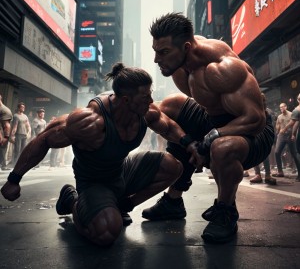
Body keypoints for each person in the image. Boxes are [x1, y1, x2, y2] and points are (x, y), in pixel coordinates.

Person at [1, 63, 199, 247]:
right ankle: (72, 199)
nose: (150, 100)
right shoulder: (91, 120)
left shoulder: (146, 111)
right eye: (145, 97)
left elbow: (169, 126)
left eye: (150, 94)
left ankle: (123, 205)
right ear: (126, 100)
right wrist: (14, 179)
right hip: (94, 183)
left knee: (175, 167)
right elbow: (44, 138)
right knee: (105, 231)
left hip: (121, 172)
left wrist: (190, 144)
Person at [144, 12, 274, 243]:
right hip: (214, 119)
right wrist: (188, 141)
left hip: (254, 131)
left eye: (163, 52)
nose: (156, 59)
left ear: (185, 47)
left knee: (221, 147)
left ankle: (225, 212)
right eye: (156, 50)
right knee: (169, 107)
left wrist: (209, 139)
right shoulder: (181, 64)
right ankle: (173, 201)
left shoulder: (222, 69)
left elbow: (255, 119)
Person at [250, 94, 276, 185]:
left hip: (263, 135)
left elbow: (269, 126)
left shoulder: (267, 112)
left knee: (264, 155)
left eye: (263, 101)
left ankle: (267, 175)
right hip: (255, 135)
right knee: (255, 154)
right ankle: (258, 174)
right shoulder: (252, 110)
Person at [272, 102, 300, 179]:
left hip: (290, 135)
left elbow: (295, 124)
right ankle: (280, 171)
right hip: (282, 136)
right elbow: (277, 125)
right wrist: (277, 131)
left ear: (286, 107)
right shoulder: (279, 116)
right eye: (280, 107)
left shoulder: (292, 114)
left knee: (294, 153)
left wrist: (293, 134)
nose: (282, 108)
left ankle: (299, 173)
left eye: (283, 107)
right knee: (277, 152)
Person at [280, 94, 300, 181]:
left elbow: (294, 123)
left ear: (298, 100)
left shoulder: (296, 110)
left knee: (298, 152)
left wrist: (293, 133)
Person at [10, 102, 31, 166]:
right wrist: (12, 135)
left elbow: (28, 126)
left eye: (24, 107)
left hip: (24, 135)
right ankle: (15, 163)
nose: (23, 108)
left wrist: (28, 132)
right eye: (22, 107)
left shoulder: (25, 116)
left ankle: (21, 163)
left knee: (23, 150)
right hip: (18, 134)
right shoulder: (16, 116)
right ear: (18, 108)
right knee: (17, 150)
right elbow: (15, 127)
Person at [0, 95, 13, 171]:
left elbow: (7, 126)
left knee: (2, 150)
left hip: (2, 136)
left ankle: (3, 165)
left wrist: (6, 137)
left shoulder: (5, 110)